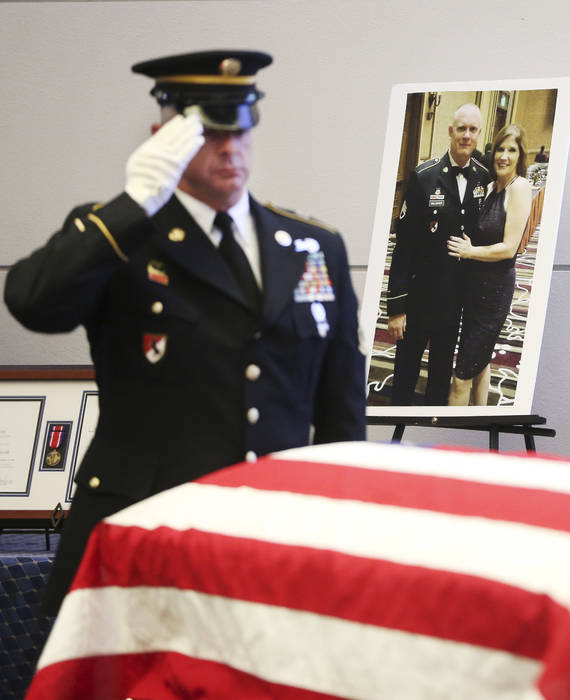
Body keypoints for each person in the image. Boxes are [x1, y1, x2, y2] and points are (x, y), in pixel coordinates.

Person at [4, 50, 366, 616]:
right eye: (208, 133)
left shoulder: (313, 247)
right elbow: (32, 303)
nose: (230, 147)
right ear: (163, 137)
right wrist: (134, 204)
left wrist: (341, 528)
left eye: (241, 130)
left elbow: (340, 409)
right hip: (144, 535)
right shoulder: (118, 236)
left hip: (272, 540)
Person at [386, 104, 491, 405]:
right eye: (462, 129)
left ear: (479, 134)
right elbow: (403, 246)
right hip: (420, 295)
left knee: (441, 372)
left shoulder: (483, 178)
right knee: (406, 371)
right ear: (450, 131)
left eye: (473, 130)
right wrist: (396, 308)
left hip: (455, 300)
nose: (467, 136)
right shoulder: (424, 176)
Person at [446, 124, 531, 406]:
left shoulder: (520, 188)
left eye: (512, 150)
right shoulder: (492, 186)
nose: (504, 156)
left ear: (520, 156)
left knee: (461, 376)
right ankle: (480, 423)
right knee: (480, 364)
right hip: (473, 289)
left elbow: (509, 248)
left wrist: (469, 251)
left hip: (493, 294)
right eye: (500, 149)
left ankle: (449, 443)